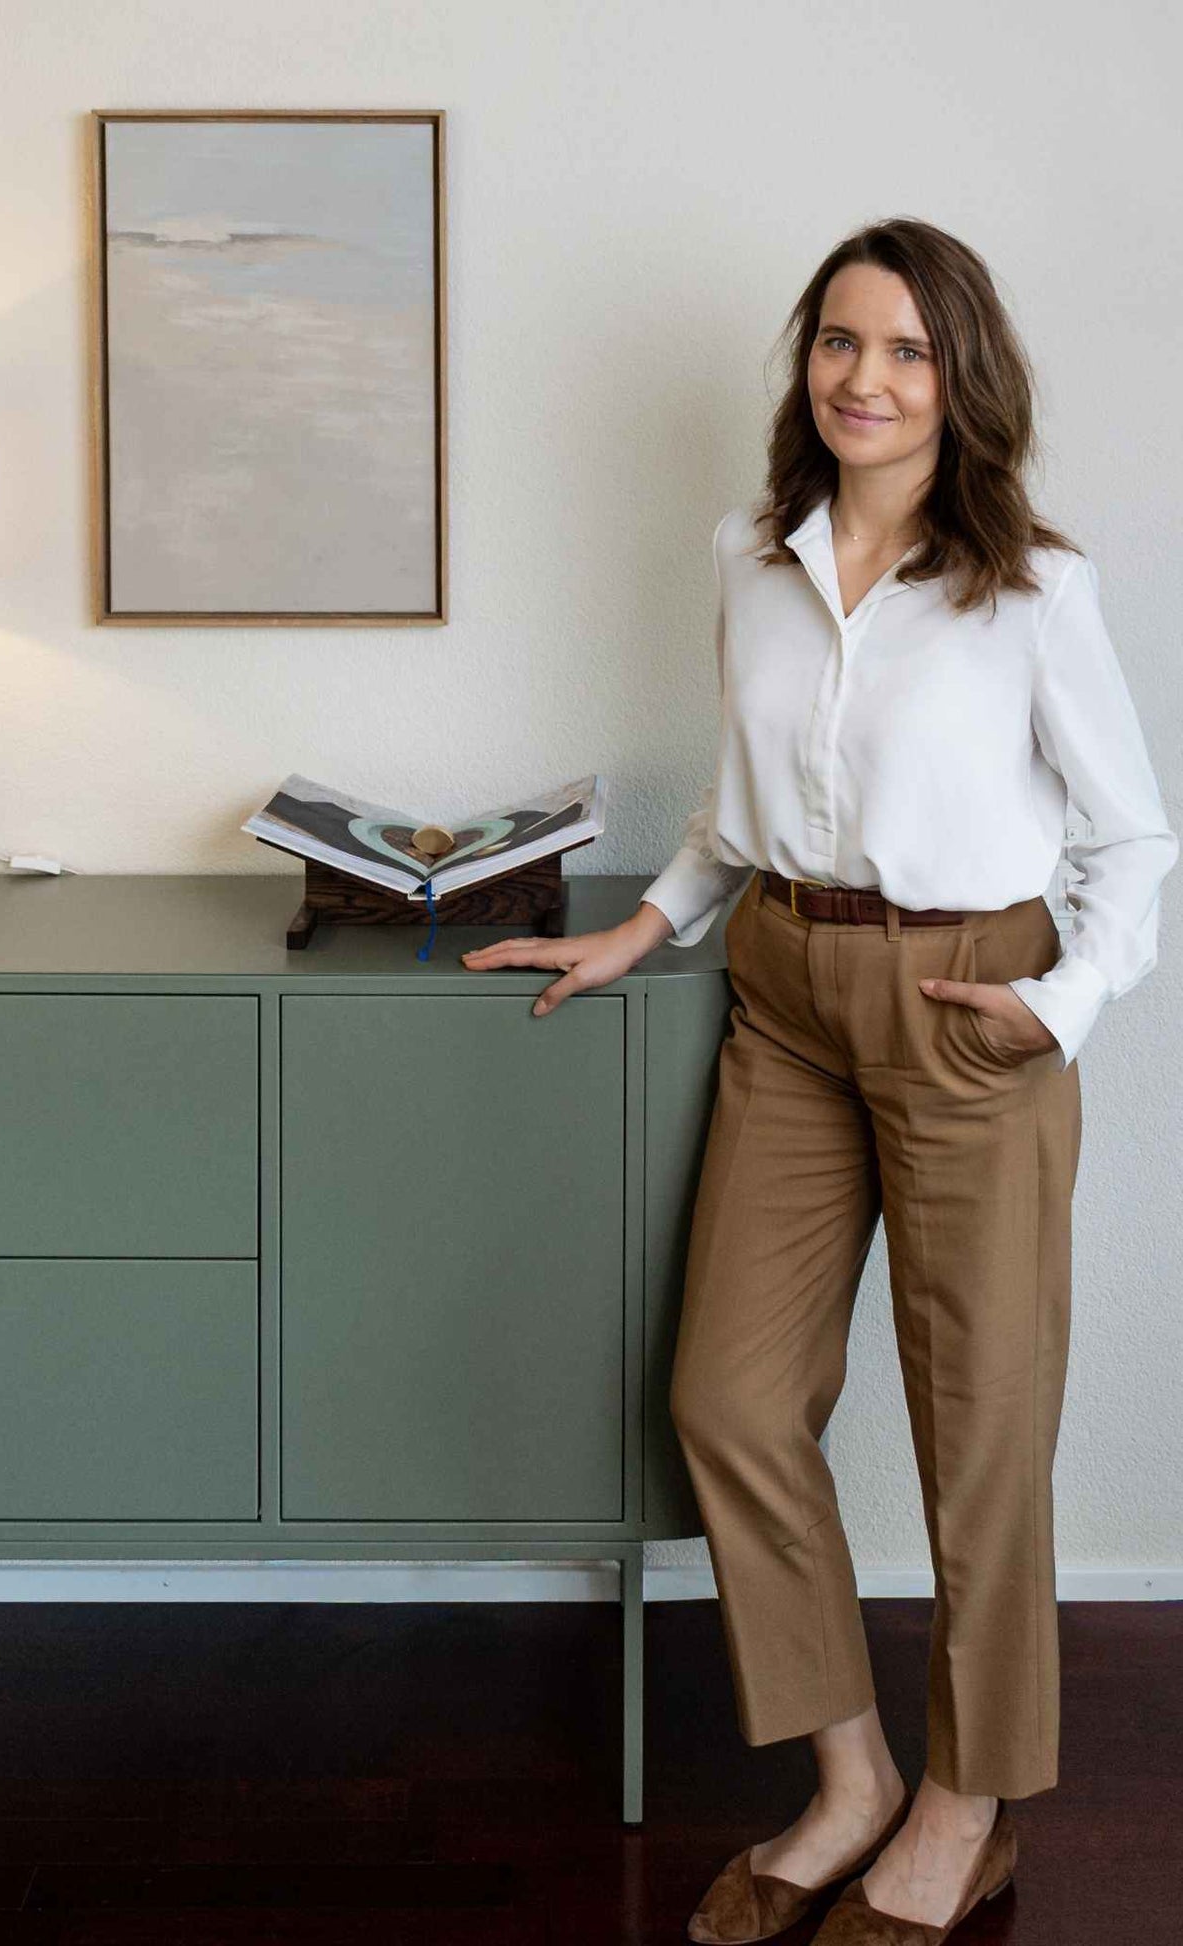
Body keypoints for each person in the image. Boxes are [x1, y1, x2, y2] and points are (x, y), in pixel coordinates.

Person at [460, 217, 1175, 1945]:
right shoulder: (748, 552)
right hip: (781, 993)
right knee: (725, 1394)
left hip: (963, 1007)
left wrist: (1060, 1003)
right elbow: (742, 801)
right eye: (841, 341)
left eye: (908, 350)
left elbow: (1132, 836)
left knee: (977, 1431)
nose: (866, 378)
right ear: (807, 363)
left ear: (960, 378)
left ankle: (963, 1808)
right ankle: (848, 1775)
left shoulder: (1030, 586)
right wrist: (645, 925)